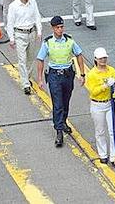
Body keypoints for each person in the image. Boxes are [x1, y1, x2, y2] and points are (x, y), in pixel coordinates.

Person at [36, 16, 86, 148]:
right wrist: (40, 79)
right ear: (53, 28)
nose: (60, 29)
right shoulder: (48, 43)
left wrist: (82, 74)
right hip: (54, 76)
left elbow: (79, 55)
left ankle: (63, 121)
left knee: (66, 101)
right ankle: (59, 131)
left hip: (68, 75)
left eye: (61, 27)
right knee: (57, 103)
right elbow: (40, 59)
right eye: (57, 27)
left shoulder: (69, 41)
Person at [84, 47, 115, 168]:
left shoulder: (112, 70)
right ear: (95, 59)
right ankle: (103, 154)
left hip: (110, 103)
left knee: (112, 131)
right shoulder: (92, 74)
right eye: (100, 58)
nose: (103, 60)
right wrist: (105, 86)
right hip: (97, 105)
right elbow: (93, 92)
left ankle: (114, 157)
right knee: (100, 131)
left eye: (104, 58)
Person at [7, 0, 42, 95]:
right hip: (19, 34)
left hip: (31, 32)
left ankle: (27, 77)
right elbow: (10, 23)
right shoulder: (13, 6)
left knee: (31, 58)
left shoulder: (33, 3)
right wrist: (11, 38)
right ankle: (26, 84)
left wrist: (39, 32)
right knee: (22, 59)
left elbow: (37, 17)